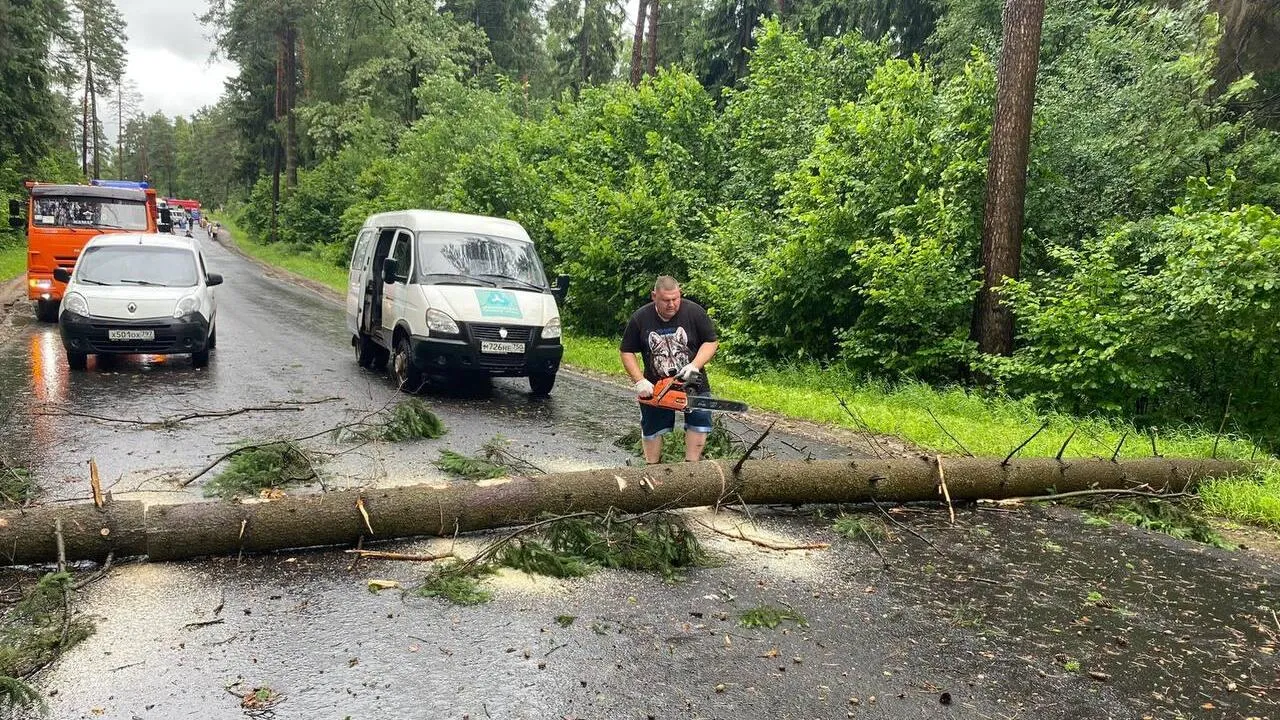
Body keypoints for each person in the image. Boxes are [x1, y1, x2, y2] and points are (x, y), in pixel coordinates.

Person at [620, 275, 719, 463]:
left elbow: (711, 342)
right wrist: (639, 380)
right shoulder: (640, 318)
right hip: (655, 385)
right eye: (666, 300)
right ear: (654, 296)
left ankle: (691, 467)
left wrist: (695, 365)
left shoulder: (695, 313)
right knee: (652, 427)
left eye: (675, 298)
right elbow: (626, 351)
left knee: (699, 421)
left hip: (692, 382)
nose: (671, 304)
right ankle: (652, 467)